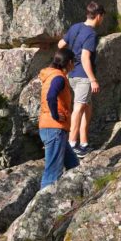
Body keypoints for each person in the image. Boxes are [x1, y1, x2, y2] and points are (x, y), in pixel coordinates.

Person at [58, 1, 106, 158]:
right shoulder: (91, 34)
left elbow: (61, 44)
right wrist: (93, 79)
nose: (102, 20)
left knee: (87, 107)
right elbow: (85, 57)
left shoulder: (75, 27)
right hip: (83, 77)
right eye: (102, 17)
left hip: (71, 75)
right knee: (78, 108)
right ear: (98, 16)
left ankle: (84, 143)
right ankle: (72, 144)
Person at [38, 48, 81, 188]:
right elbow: (51, 96)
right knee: (52, 172)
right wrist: (55, 115)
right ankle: (43, 205)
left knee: (73, 164)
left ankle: (75, 193)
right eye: (73, 62)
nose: (73, 66)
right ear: (69, 62)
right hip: (54, 128)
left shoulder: (50, 75)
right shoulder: (58, 77)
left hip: (50, 128)